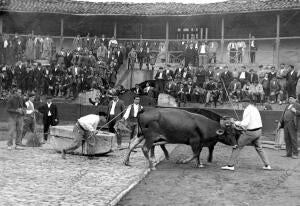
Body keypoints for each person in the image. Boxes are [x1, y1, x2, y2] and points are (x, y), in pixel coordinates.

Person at [221, 98, 271, 171]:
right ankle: (267, 165)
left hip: (251, 132)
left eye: (242, 103)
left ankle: (230, 165)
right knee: (259, 148)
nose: (242, 105)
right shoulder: (254, 108)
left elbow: (244, 123)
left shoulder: (247, 110)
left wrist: (235, 122)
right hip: (259, 131)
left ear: (246, 103)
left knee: (237, 146)